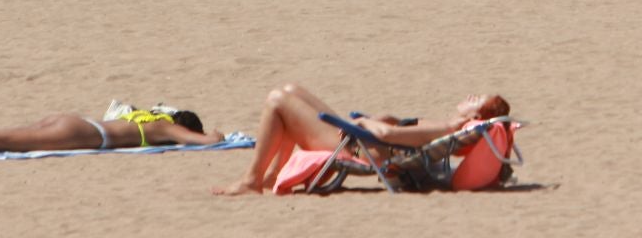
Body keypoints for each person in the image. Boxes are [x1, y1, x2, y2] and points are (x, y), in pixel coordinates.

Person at [217, 84, 508, 196]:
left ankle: (252, 180)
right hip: (361, 139)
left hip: (355, 146)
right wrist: (379, 118)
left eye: (476, 100)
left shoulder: (447, 127)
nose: (470, 96)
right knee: (292, 89)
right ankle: (272, 175)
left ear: (476, 118)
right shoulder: (448, 128)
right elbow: (398, 130)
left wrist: (366, 122)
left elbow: (387, 136)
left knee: (277, 101)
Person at [0, 107, 218, 158]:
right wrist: (217, 135)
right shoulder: (166, 128)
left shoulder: (147, 118)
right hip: (84, 135)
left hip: (73, 121)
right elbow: (207, 142)